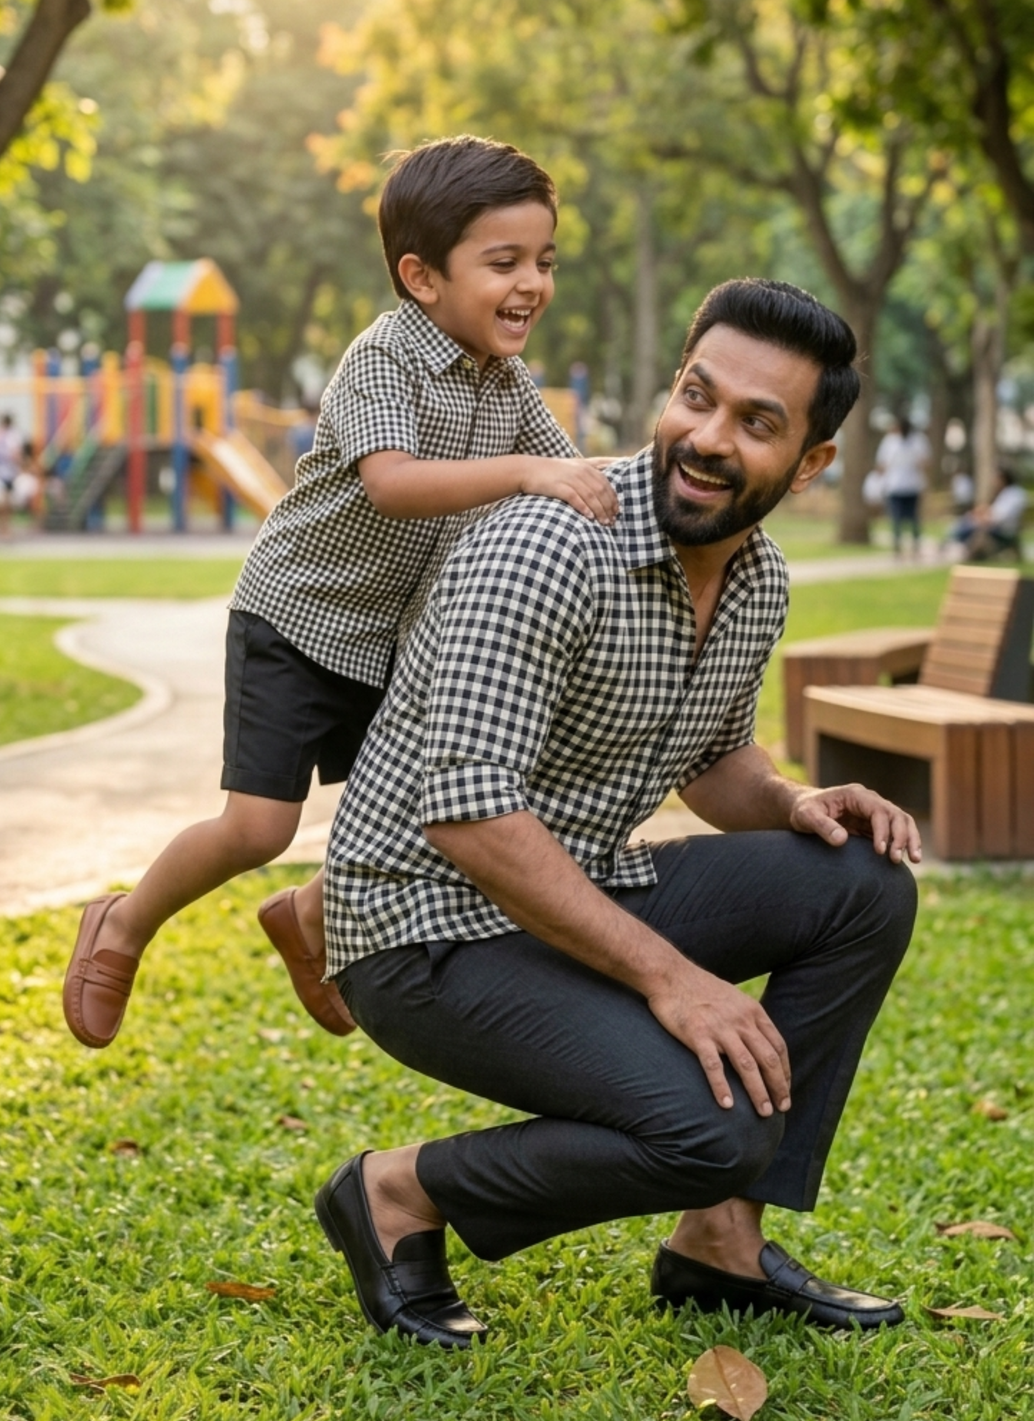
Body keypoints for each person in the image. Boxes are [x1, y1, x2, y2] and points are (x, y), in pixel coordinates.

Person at [303, 278, 921, 1349]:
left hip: (576, 889)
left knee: (859, 883)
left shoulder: (754, 577)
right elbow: (467, 820)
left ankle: (717, 1244)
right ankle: (396, 1194)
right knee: (717, 1126)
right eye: (697, 395)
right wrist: (671, 981)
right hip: (422, 929)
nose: (706, 437)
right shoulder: (545, 541)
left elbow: (714, 758)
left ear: (809, 465)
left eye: (756, 423)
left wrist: (793, 800)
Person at [62, 135, 618, 1050]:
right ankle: (120, 924)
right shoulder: (384, 356)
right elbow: (393, 483)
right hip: (297, 616)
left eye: (544, 261)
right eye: (504, 262)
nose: (532, 284)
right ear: (422, 275)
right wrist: (524, 473)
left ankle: (310, 916)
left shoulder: (508, 382)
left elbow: (574, 478)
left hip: (396, 640)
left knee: (433, 812)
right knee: (257, 826)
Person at [875, 415, 930, 555]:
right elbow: (881, 464)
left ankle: (915, 545)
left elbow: (926, 462)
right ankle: (897, 546)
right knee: (896, 518)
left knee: (914, 518)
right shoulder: (889, 441)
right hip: (895, 486)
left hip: (913, 485)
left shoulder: (919, 441)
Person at [950, 465, 1028, 561]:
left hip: (1003, 530)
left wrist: (983, 518)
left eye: (996, 478)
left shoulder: (1013, 495)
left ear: (1004, 478)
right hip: (998, 526)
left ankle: (958, 545)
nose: (994, 482)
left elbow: (1000, 517)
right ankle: (955, 541)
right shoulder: (1008, 493)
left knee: (970, 526)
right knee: (967, 522)